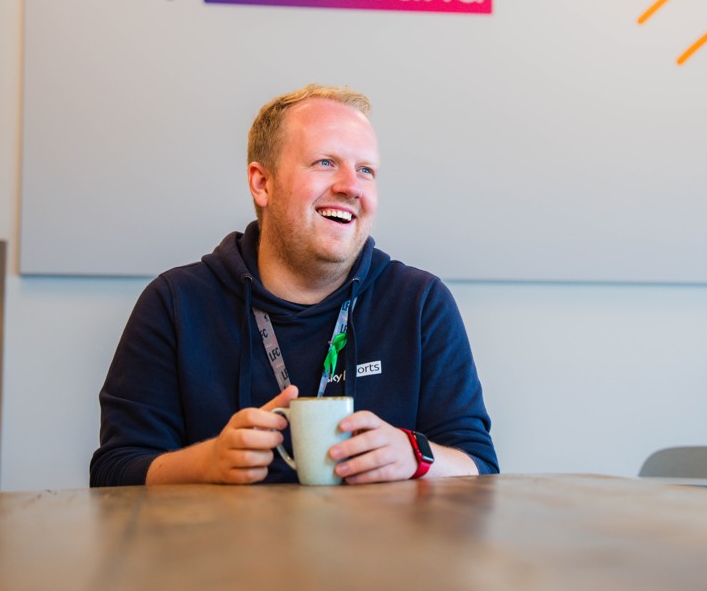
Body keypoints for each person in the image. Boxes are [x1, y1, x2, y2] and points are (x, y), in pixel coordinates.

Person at [90, 84, 498, 486]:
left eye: (365, 170)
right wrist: (205, 464)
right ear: (262, 183)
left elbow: (478, 463)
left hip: (380, 551)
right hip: (219, 550)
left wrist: (416, 455)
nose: (351, 186)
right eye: (324, 162)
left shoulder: (421, 303)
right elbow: (113, 473)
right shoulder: (175, 304)